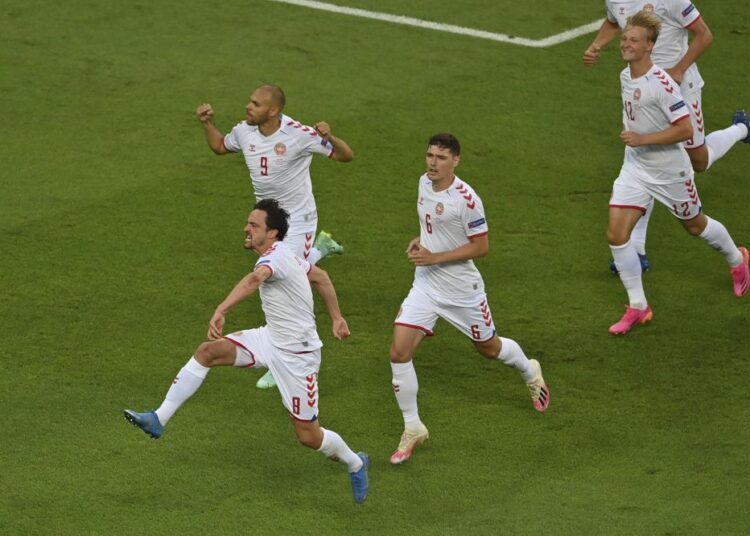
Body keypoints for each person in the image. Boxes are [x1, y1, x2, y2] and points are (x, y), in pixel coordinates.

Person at [124, 199, 369, 503]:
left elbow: (256, 280)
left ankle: (356, 463)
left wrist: (221, 308)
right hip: (270, 338)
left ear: (273, 232)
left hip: (298, 357)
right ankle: (158, 418)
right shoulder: (284, 253)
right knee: (208, 352)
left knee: (308, 436)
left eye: (254, 226)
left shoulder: (274, 258)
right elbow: (321, 276)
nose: (247, 229)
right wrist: (336, 318)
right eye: (248, 223)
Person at [388, 133, 550, 465]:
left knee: (488, 349)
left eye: (441, 157)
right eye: (430, 155)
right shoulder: (423, 183)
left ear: (456, 161)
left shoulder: (467, 199)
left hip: (462, 292)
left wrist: (436, 257)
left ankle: (529, 370)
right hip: (426, 286)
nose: (433, 162)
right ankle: (413, 427)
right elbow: (432, 226)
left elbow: (481, 246)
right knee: (398, 351)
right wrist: (420, 241)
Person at [196, 84, 355, 390]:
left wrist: (329, 137)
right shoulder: (244, 132)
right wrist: (207, 124)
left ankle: (283, 356)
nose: (247, 107)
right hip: (267, 219)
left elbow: (346, 156)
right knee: (291, 271)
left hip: (298, 220)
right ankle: (321, 248)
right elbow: (219, 147)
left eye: (255, 104)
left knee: (281, 278)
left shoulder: (299, 134)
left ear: (273, 111)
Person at [606, 11, 749, 335]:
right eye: (625, 39)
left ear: (650, 46)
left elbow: (685, 129)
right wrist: (636, 141)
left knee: (695, 226)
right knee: (616, 234)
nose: (626, 44)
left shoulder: (664, 85)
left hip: (670, 171)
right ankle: (638, 307)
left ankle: (738, 259)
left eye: (633, 40)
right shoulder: (625, 76)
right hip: (636, 166)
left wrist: (644, 138)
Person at [583, 0, 750, 273]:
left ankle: (741, 129)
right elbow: (614, 22)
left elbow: (704, 34)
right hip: (642, 90)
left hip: (679, 86)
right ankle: (636, 249)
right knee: (642, 160)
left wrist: (679, 70)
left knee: (700, 161)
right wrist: (597, 45)